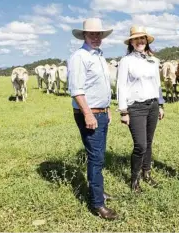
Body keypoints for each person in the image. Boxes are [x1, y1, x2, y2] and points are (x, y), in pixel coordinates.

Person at [67, 18, 118, 220]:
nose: (96, 37)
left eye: (99, 34)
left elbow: (100, 87)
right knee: (96, 158)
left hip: (101, 112)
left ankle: (99, 192)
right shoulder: (80, 57)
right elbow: (76, 90)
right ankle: (97, 203)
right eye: (92, 34)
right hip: (91, 114)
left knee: (99, 156)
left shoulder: (98, 56)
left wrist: (107, 109)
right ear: (84, 35)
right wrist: (88, 113)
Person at [117, 26, 165, 193]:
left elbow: (157, 85)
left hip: (152, 105)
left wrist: (160, 104)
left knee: (149, 143)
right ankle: (134, 180)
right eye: (136, 39)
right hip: (135, 107)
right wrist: (123, 111)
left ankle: (147, 173)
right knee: (140, 145)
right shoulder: (126, 61)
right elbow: (121, 86)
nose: (140, 41)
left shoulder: (153, 60)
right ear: (131, 42)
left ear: (146, 41)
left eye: (142, 38)